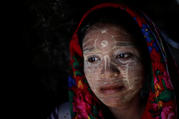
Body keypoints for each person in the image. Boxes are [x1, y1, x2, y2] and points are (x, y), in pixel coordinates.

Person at [49, 2, 178, 119]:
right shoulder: (63, 116)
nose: (108, 72)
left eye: (122, 56)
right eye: (93, 59)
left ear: (149, 60)